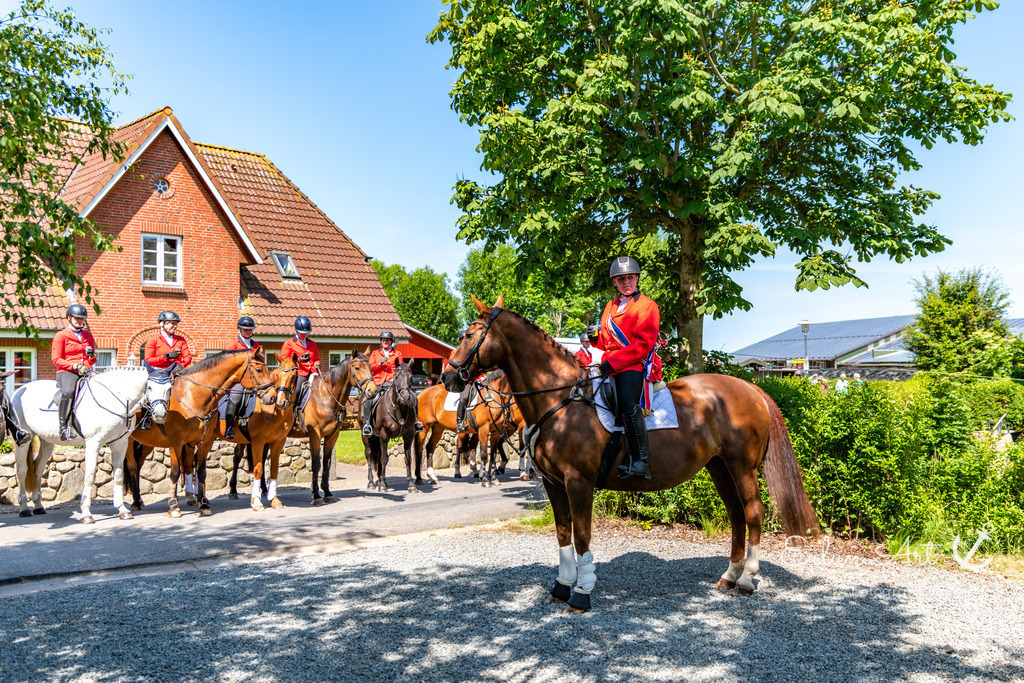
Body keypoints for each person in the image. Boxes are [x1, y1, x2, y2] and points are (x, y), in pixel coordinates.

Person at [596, 256, 660, 480]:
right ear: (615, 282)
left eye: (630, 278)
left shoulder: (647, 306)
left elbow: (643, 345)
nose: (626, 282)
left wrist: (613, 362)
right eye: (621, 279)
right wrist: (594, 338)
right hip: (610, 364)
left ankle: (642, 461)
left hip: (634, 363)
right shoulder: (610, 306)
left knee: (627, 402)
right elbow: (606, 341)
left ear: (637, 279)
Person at [51, 304, 97, 440]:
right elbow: (55, 359)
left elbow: (93, 360)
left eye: (82, 319)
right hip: (67, 371)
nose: (79, 321)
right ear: (69, 318)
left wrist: (92, 356)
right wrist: (75, 366)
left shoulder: (88, 336)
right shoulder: (61, 336)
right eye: (76, 318)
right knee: (70, 391)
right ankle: (63, 427)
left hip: (86, 370)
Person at [140, 310, 193, 430]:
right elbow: (148, 360)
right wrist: (166, 357)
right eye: (171, 323)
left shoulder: (181, 340)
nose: (174, 326)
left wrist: (180, 365)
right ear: (162, 324)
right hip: (158, 372)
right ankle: (145, 419)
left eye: (176, 324)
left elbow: (188, 357)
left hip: (176, 372)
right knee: (147, 389)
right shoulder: (153, 340)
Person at [223, 316, 262, 439]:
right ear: (239, 329)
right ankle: (228, 427)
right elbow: (226, 363)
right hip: (238, 380)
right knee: (236, 395)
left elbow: (262, 362)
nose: (248, 331)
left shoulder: (256, 345)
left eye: (250, 329)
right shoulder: (233, 344)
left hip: (254, 379)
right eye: (245, 329)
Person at [280, 316, 320, 431]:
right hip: (299, 373)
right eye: (302, 333)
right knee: (297, 391)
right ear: (296, 330)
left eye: (306, 333)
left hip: (313, 372)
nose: (304, 335)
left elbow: (316, 358)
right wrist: (299, 360)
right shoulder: (288, 344)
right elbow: (285, 362)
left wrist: (317, 364)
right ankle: (292, 418)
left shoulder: (312, 343)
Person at [363, 330, 404, 436]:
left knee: (408, 397)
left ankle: (414, 422)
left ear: (391, 341)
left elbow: (401, 368)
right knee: (369, 400)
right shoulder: (375, 353)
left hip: (392, 382)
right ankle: (367, 424)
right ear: (380, 341)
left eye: (387, 340)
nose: (385, 342)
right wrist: (380, 363)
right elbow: (370, 368)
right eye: (383, 340)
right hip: (378, 382)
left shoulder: (397, 354)